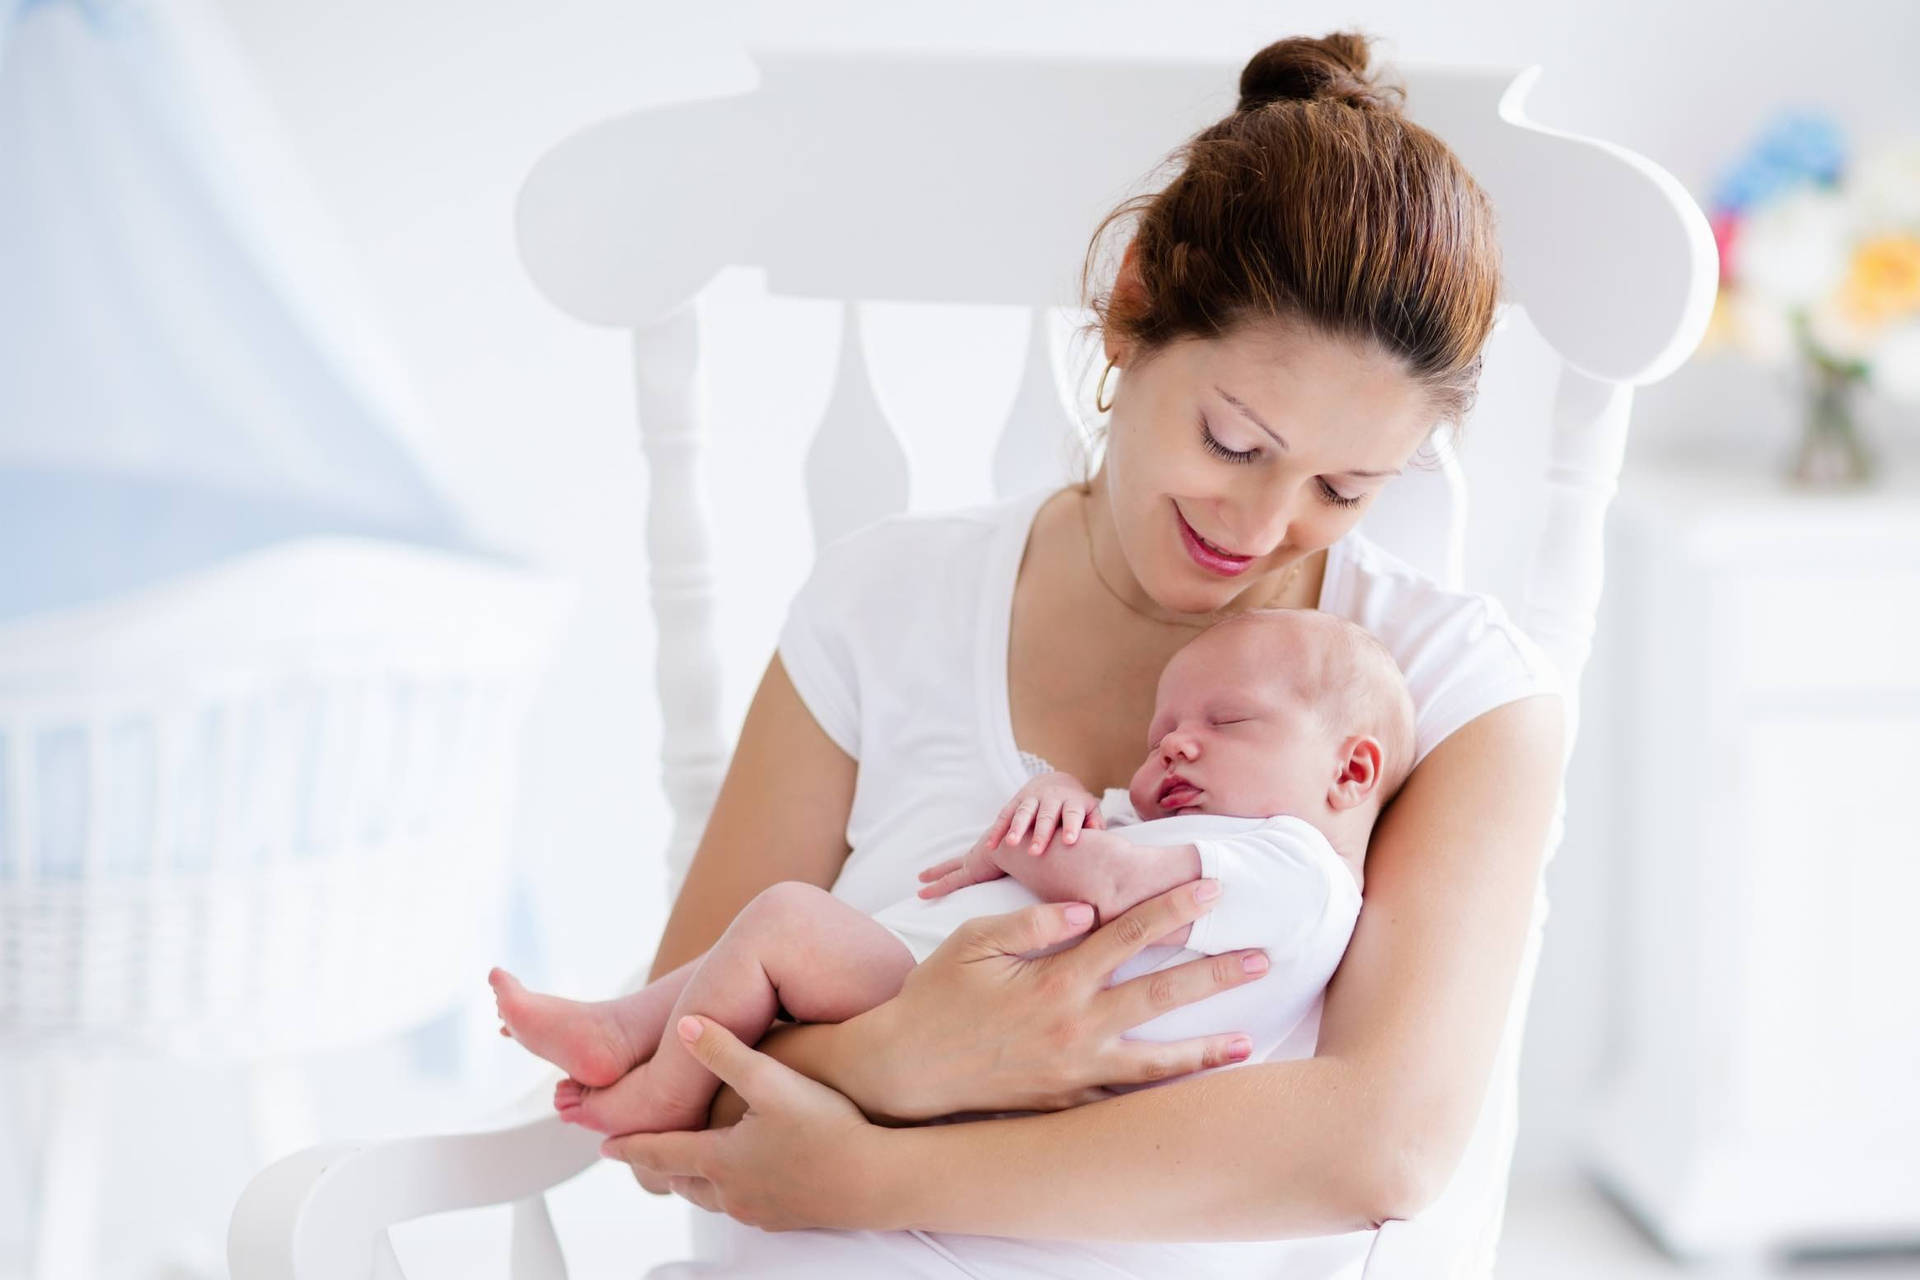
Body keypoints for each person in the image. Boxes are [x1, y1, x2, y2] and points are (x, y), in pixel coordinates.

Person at [604, 28, 1568, 1279]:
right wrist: (910, 1051)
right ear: (1127, 314)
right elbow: (677, 1084)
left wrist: (883, 1158)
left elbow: (1376, 1145)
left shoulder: (1458, 694)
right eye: (1231, 440)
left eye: (1343, 485)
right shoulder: (885, 603)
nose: (1263, 527)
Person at [489, 608, 1414, 1163]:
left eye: (1228, 720)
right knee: (771, 955)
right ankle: (625, 1030)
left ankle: (664, 1087)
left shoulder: (1297, 870)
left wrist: (1034, 843)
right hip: (951, 1003)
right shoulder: (1202, 832)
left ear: (1349, 772)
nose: (1174, 742)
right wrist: (1053, 797)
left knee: (780, 926)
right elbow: (1097, 841)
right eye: (1161, 731)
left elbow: (1108, 874)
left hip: (959, 1000)